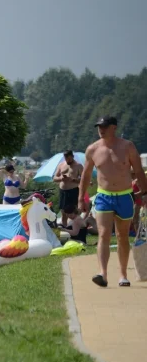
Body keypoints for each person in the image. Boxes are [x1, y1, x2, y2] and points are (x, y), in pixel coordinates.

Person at [79, 116, 147, 288]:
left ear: (114, 127)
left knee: (122, 235)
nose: (101, 129)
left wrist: (145, 193)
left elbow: (138, 171)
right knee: (103, 233)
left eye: (104, 126)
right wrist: (81, 197)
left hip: (124, 195)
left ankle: (123, 275)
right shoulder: (92, 149)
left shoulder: (127, 146)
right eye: (99, 126)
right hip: (103, 196)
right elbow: (86, 176)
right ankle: (102, 273)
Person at [54, 150, 84, 228]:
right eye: (66, 159)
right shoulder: (61, 165)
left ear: (72, 157)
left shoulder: (79, 166)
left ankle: (76, 228)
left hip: (73, 190)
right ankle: (65, 228)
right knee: (63, 212)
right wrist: (61, 178)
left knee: (74, 212)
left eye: (70, 159)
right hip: (63, 191)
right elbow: (54, 178)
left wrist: (73, 179)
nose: (68, 161)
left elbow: (84, 180)